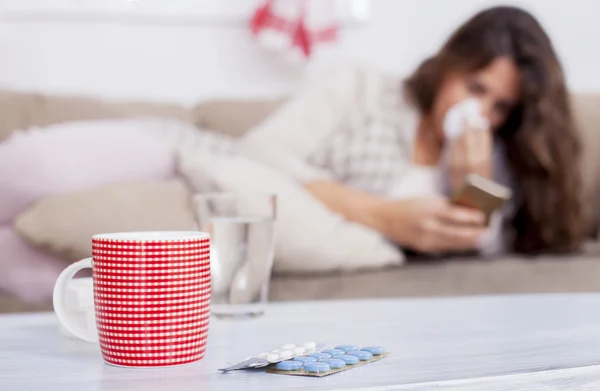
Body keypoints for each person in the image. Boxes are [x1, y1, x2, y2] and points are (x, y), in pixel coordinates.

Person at [237, 5, 585, 256]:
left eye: (501, 106)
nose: (481, 114)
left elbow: (494, 252)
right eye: (475, 88)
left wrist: (477, 191)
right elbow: (257, 157)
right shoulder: (361, 90)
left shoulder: (499, 149)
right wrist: (385, 216)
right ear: (448, 64)